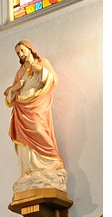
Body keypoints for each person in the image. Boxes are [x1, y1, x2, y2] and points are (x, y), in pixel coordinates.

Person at [4, 40, 67, 192]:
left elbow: (52, 79)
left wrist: (37, 68)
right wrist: (15, 88)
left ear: (30, 49)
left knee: (39, 129)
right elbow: (10, 97)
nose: (20, 54)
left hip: (37, 106)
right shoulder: (20, 72)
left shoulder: (42, 63)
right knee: (23, 143)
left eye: (22, 50)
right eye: (18, 52)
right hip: (22, 110)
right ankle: (29, 171)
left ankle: (52, 164)